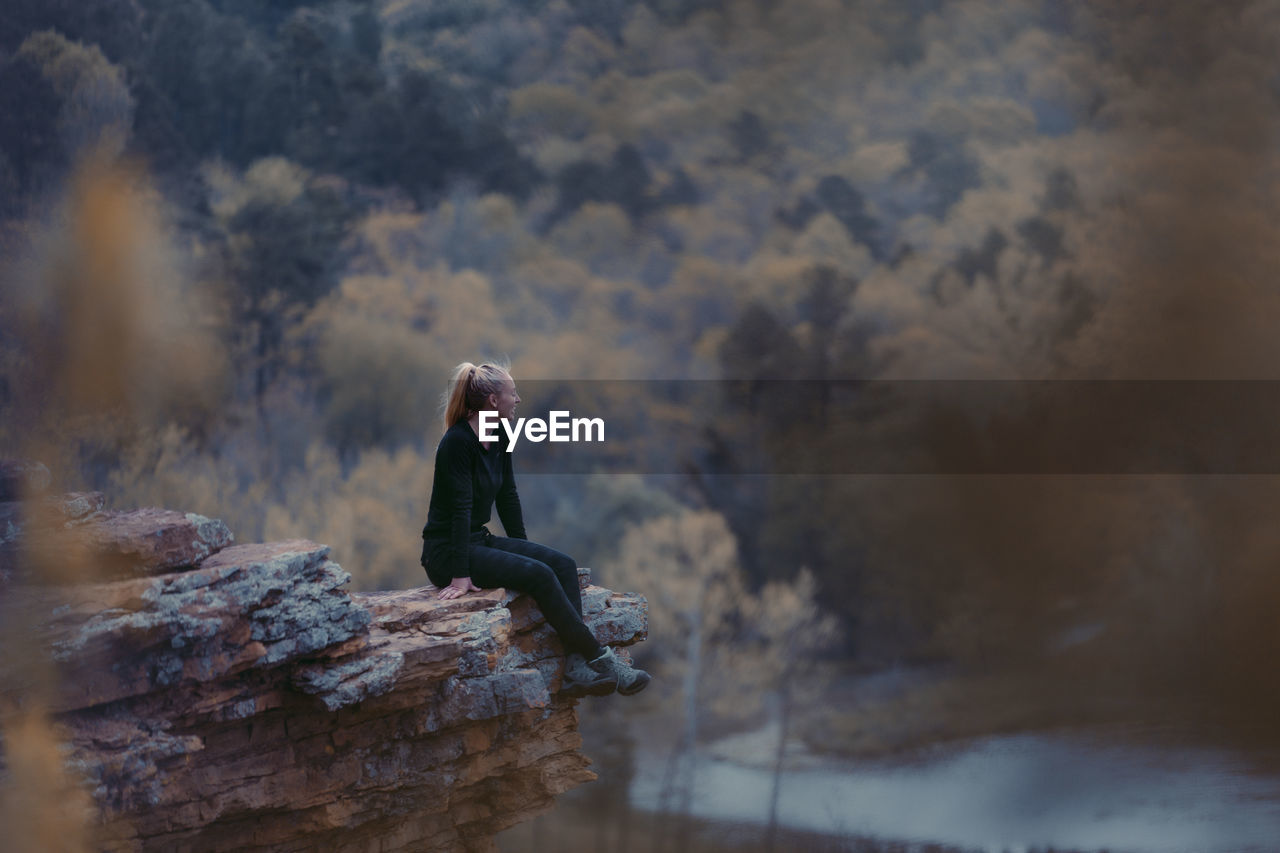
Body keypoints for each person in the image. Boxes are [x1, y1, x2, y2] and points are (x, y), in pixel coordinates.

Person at [420, 361, 650, 697]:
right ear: (493, 402)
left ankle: (574, 670)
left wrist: (522, 552)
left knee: (562, 565)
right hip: (446, 553)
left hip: (476, 540)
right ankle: (603, 660)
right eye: (512, 393)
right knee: (539, 575)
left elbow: (508, 497)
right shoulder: (457, 443)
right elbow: (460, 509)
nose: (518, 399)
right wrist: (459, 574)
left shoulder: (500, 435)